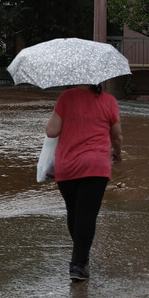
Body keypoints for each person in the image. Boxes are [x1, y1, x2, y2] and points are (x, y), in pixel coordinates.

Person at [45, 83, 123, 282]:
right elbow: (117, 135)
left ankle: (81, 256)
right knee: (86, 215)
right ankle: (79, 263)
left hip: (67, 166)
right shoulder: (109, 101)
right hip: (96, 167)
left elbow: (51, 131)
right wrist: (117, 153)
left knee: (75, 212)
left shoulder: (66, 98)